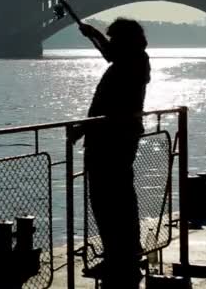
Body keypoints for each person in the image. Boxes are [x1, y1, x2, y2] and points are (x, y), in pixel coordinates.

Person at [74, 18, 151, 289]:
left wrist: (83, 128)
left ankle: (118, 257)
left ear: (124, 40)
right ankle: (126, 253)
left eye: (115, 38)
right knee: (120, 199)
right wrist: (93, 35)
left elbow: (108, 107)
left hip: (109, 140)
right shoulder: (134, 61)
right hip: (115, 137)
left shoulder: (129, 64)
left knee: (107, 201)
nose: (112, 43)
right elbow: (110, 54)